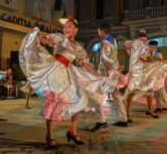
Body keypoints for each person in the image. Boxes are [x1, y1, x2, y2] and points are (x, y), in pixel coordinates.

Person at [19, 17, 111, 148]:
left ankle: (72, 131)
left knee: (79, 97)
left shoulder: (79, 48)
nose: (66, 29)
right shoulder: (60, 39)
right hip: (55, 71)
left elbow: (84, 64)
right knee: (52, 100)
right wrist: (37, 34)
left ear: (76, 29)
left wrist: (98, 74)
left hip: (69, 72)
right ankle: (49, 135)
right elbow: (45, 40)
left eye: (69, 26)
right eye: (65, 27)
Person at [124, 31, 167, 121]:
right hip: (135, 71)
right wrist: (130, 45)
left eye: (146, 40)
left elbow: (151, 57)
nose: (144, 42)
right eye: (143, 40)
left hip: (145, 70)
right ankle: (127, 114)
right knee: (132, 91)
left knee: (150, 89)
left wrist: (163, 60)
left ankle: (150, 110)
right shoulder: (135, 44)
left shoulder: (145, 48)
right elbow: (127, 46)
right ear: (139, 39)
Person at [90, 23, 128, 132]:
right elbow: (113, 57)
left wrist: (110, 70)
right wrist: (116, 68)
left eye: (98, 31)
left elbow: (106, 59)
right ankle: (123, 119)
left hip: (106, 73)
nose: (98, 33)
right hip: (112, 73)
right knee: (116, 95)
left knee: (96, 94)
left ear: (102, 32)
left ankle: (101, 121)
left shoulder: (104, 42)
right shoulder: (113, 41)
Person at [148, 41, 167, 113]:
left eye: (150, 46)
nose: (149, 48)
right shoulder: (154, 53)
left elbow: (157, 64)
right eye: (149, 46)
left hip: (158, 74)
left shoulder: (157, 54)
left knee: (160, 90)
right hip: (157, 74)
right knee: (159, 90)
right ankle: (163, 105)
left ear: (154, 46)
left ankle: (161, 106)